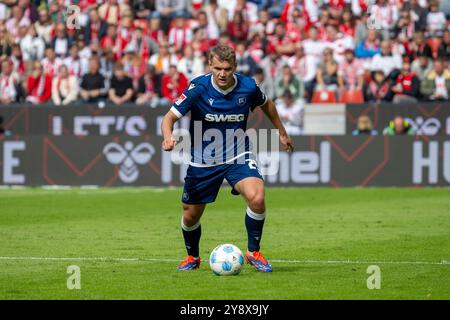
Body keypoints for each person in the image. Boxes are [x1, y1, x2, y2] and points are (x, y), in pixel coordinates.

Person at [160, 45, 294, 272]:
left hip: (238, 155)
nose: (222, 73)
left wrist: (281, 132)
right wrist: (168, 137)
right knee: (190, 215)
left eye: (228, 69)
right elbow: (169, 117)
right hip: (203, 161)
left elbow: (268, 105)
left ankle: (253, 252)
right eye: (218, 68)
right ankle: (192, 257)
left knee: (258, 197)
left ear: (235, 68)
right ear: (210, 66)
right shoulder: (198, 88)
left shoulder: (248, 87)